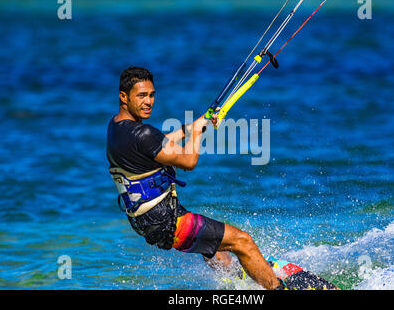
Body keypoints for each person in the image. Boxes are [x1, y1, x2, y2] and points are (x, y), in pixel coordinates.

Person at [106, 66, 285, 290]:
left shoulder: (116, 128)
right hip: (169, 222)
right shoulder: (143, 134)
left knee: (216, 247)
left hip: (146, 222)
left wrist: (190, 128)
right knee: (242, 241)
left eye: (152, 95)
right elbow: (189, 161)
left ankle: (240, 282)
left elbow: (157, 145)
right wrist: (198, 133)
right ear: (123, 96)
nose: (149, 101)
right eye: (141, 95)